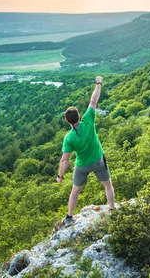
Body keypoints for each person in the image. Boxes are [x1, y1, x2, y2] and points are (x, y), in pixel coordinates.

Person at [56, 75, 115, 224]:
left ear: (66, 120)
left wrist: (60, 176)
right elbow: (93, 100)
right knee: (107, 185)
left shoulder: (69, 138)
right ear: (79, 116)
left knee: (75, 191)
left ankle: (69, 217)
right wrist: (98, 82)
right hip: (98, 160)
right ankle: (112, 209)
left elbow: (64, 160)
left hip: (82, 166)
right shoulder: (88, 119)